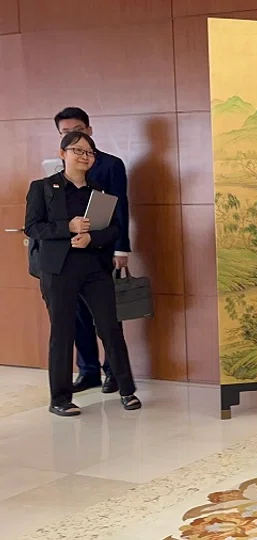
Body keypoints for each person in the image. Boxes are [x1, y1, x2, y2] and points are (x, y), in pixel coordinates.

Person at [24, 132, 141, 417]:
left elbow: (114, 229)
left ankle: (127, 390)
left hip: (94, 268)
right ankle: (60, 399)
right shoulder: (43, 188)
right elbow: (33, 227)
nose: (84, 157)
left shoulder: (100, 192)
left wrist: (92, 238)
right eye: (77, 150)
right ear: (62, 153)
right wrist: (68, 227)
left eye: (89, 153)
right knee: (63, 332)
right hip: (58, 270)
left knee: (110, 327)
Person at [53, 107, 132, 395]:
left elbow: (120, 207)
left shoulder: (110, 165)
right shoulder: (55, 170)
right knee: (77, 316)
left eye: (79, 131)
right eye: (65, 133)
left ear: (89, 130)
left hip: (101, 250)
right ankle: (87, 371)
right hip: (68, 256)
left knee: (107, 317)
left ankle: (113, 372)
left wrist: (121, 248)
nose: (74, 136)